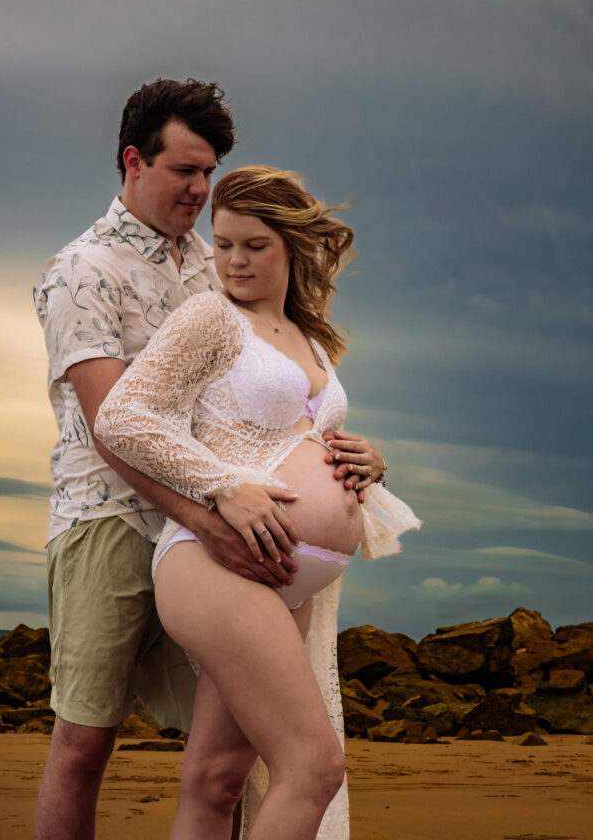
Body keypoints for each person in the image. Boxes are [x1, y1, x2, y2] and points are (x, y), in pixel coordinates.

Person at [32, 80, 386, 840]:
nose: (201, 188)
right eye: (185, 170)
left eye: (209, 170)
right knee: (86, 738)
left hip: (238, 544)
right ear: (133, 160)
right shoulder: (82, 271)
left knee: (223, 769)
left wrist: (354, 461)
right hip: (113, 519)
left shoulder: (210, 261)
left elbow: (259, 404)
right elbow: (110, 424)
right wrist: (210, 509)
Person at [95, 166, 422, 840]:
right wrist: (222, 486)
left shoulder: (311, 338)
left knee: (216, 781)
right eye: (223, 244)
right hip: (217, 564)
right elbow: (122, 417)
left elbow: (303, 441)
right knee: (312, 764)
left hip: (289, 582)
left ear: (292, 247)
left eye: (254, 246)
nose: (234, 261)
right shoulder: (210, 316)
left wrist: (369, 464)